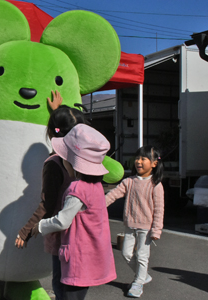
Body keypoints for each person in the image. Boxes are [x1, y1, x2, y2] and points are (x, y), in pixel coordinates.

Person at [15, 99, 89, 300]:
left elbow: (47, 204)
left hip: (63, 233)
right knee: (78, 282)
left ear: (51, 132)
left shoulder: (54, 163)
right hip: (87, 229)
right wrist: (58, 112)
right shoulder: (88, 159)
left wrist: (26, 231)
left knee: (61, 281)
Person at [33, 124, 116, 300]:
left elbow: (63, 221)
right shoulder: (97, 186)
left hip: (77, 258)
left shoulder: (77, 188)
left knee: (68, 294)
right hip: (92, 255)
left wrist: (39, 226)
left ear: (72, 162)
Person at [106, 145, 164, 298]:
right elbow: (112, 195)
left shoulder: (156, 185)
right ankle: (143, 276)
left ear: (154, 163)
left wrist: (156, 230)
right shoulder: (129, 182)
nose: (139, 161)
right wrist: (97, 205)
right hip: (130, 225)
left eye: (143, 159)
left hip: (146, 228)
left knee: (142, 256)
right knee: (126, 253)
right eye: (137, 158)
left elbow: (159, 210)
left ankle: (138, 283)